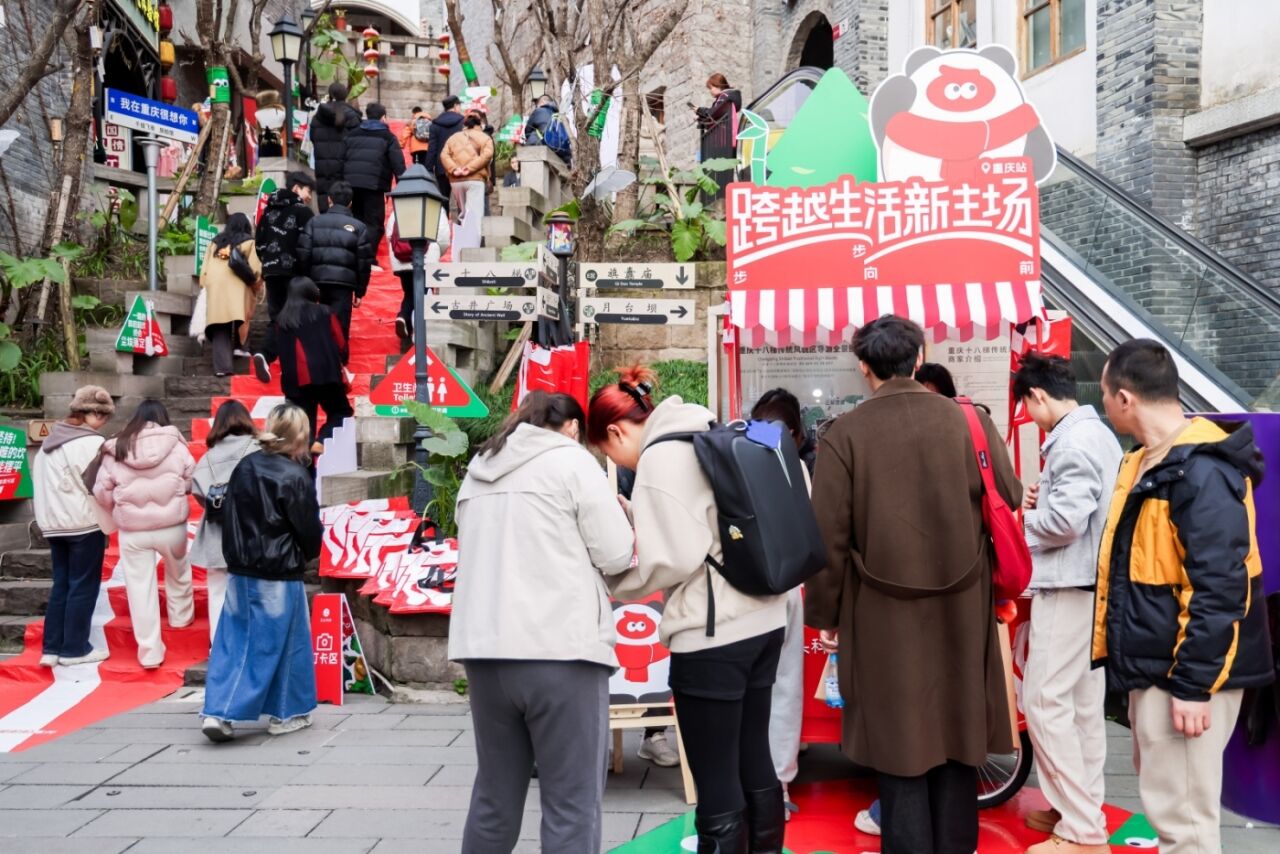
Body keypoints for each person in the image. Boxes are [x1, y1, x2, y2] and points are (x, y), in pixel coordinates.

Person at [805, 315, 1021, 854]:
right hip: (962, 609)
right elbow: (1011, 493)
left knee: (898, 745)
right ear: (920, 358)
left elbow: (828, 540)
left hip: (882, 615)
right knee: (958, 737)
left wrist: (826, 616)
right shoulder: (969, 422)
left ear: (864, 366)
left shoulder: (844, 435)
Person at [589, 368, 788, 854]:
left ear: (615, 431)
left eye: (607, 451)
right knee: (755, 761)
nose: (615, 460)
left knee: (716, 782)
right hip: (765, 620)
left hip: (712, 634)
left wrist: (613, 581)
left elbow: (672, 558)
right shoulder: (707, 429)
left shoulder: (660, 458)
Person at [1095, 339, 1272, 854]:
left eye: (1104, 394)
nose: (1104, 403)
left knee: (1186, 825)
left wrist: (1194, 687)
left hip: (1187, 676)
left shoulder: (1201, 471)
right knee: (1171, 810)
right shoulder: (1148, 462)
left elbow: (1220, 588)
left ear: (1124, 398)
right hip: (1158, 669)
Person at [451, 392, 634, 854]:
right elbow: (615, 553)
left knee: (494, 798)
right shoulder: (572, 463)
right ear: (571, 427)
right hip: (561, 649)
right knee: (571, 804)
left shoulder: (478, 470)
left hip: (485, 653)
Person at [1009, 352, 1124, 854]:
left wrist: (1021, 522)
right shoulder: (1096, 434)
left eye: (1027, 406)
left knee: (1043, 702)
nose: (1030, 416)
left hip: (1068, 585)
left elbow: (1065, 523)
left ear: (1037, 395)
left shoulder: (1072, 442)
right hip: (1090, 586)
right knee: (1080, 707)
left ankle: (1081, 829)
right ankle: (1080, 810)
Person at [201, 403, 323, 743]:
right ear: (300, 436)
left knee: (234, 641)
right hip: (279, 568)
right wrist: (307, 554)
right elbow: (308, 531)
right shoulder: (295, 476)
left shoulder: (246, 465)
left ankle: (218, 709)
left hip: (241, 567)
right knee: (286, 644)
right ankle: (279, 712)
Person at [92, 399, 196, 669]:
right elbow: (190, 480)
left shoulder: (117, 447)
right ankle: (180, 618)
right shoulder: (175, 444)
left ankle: (150, 652)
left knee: (139, 588)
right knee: (178, 571)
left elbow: (102, 490)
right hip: (171, 525)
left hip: (133, 530)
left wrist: (119, 506)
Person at [750, 388, 813, 821]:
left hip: (742, 588)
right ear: (793, 431)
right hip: (786, 585)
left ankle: (752, 784)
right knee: (784, 686)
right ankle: (778, 785)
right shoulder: (796, 466)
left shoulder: (735, 454)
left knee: (751, 691)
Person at [31, 386, 115, 667]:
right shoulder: (91, 443)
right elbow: (100, 485)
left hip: (53, 523)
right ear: (92, 413)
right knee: (83, 585)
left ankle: (51, 648)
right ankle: (75, 649)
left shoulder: (48, 443)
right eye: (103, 415)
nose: (104, 421)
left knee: (62, 584)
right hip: (83, 522)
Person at [190, 400, 260, 644]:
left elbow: (198, 493)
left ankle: (219, 647)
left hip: (216, 531)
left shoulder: (208, 457)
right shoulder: (258, 450)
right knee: (252, 592)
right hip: (251, 530)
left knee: (218, 591)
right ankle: (250, 645)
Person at [296, 181, 373, 364]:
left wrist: (305, 281)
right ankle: (338, 363)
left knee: (318, 322)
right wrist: (360, 291)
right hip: (344, 284)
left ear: (329, 200)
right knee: (340, 324)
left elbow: (303, 254)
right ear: (350, 203)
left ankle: (319, 361)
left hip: (317, 283)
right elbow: (364, 262)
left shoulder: (314, 222)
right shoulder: (359, 227)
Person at [275, 277, 355, 453]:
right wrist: (342, 360)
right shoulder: (324, 312)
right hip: (326, 373)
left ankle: (304, 460)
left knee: (303, 424)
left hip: (295, 381)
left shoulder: (282, 319)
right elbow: (340, 342)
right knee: (341, 412)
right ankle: (323, 439)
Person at [254, 172, 316, 383]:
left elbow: (259, 243)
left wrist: (268, 264)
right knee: (297, 318)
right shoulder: (303, 212)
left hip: (271, 272)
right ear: (296, 188)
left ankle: (265, 354)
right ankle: (292, 365)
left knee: (278, 317)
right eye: (308, 191)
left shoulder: (267, 211)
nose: (309, 197)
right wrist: (307, 272)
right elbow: (308, 245)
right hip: (294, 274)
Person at [199, 213, 262, 377]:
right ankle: (241, 347)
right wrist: (256, 285)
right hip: (238, 286)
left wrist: (205, 285)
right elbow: (256, 269)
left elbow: (204, 271)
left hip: (215, 286)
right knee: (242, 315)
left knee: (220, 324)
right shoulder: (249, 242)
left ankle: (222, 368)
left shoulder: (215, 243)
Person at [341, 102, 406, 256]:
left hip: (351, 184)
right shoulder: (388, 137)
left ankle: (353, 255)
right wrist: (403, 186)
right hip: (374, 186)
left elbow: (341, 158)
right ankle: (367, 257)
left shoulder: (352, 134)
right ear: (383, 118)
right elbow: (398, 163)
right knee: (374, 223)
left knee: (355, 219)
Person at [310, 82, 361, 212]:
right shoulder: (352, 117)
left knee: (325, 208)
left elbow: (313, 139)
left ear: (330, 95)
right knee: (346, 210)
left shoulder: (318, 117)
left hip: (323, 169)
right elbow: (357, 144)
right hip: (346, 169)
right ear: (345, 95)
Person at [441, 112, 494, 226]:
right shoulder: (485, 138)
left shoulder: (453, 137)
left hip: (456, 181)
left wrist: (454, 169)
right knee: (474, 217)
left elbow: (444, 155)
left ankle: (463, 236)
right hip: (475, 180)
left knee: (463, 215)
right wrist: (469, 168)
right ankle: (473, 238)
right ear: (480, 124)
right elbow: (487, 156)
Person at [696, 72, 742, 200]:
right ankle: (723, 197)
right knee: (724, 170)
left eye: (711, 87)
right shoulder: (728, 97)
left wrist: (700, 110)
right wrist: (701, 114)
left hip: (723, 139)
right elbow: (714, 114)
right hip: (727, 138)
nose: (710, 91)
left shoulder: (724, 97)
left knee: (721, 172)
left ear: (718, 85)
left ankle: (722, 198)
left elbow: (714, 113)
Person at [426, 95, 466, 204]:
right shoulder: (463, 122)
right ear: (455, 106)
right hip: (460, 166)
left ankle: (444, 215)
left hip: (441, 167)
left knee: (443, 200)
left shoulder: (435, 125)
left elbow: (432, 149)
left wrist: (429, 169)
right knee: (462, 201)